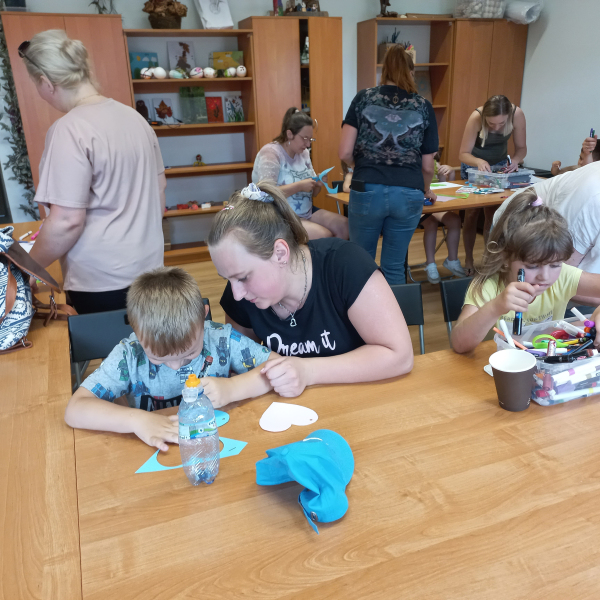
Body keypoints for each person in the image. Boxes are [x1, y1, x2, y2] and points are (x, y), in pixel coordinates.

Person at [208, 181, 414, 397]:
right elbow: (241, 365)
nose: (236, 294)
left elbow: (399, 356)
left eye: (243, 277)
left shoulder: (346, 264)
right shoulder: (241, 295)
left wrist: (308, 371)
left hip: (361, 400)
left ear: (280, 253)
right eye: (228, 279)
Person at [19, 30, 166, 315]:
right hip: (151, 273)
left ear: (46, 82)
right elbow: (159, 195)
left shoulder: (69, 129)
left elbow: (66, 222)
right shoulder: (136, 119)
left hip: (101, 284)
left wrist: (27, 268)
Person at [64, 267, 276, 451]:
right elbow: (75, 409)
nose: (175, 366)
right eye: (158, 357)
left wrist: (233, 388)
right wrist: (136, 420)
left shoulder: (221, 339)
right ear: (136, 331)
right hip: (156, 448)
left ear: (203, 316)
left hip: (217, 440)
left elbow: (279, 367)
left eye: (190, 353)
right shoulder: (129, 355)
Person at [451, 188, 600, 354]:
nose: (545, 276)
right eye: (533, 266)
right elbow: (459, 344)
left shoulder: (564, 276)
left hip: (549, 363)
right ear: (505, 257)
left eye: (555, 265)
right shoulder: (489, 286)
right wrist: (495, 307)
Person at [338, 44, 439, 285]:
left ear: (384, 71)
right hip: (409, 191)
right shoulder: (423, 106)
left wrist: (360, 165)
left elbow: (344, 152)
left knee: (361, 263)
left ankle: (359, 310)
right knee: (394, 266)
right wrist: (426, 189)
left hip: (365, 186)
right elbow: (428, 166)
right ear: (410, 72)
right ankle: (391, 311)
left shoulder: (363, 98)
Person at [252, 107, 348, 240]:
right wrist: (299, 186)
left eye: (310, 139)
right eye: (304, 138)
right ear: (289, 134)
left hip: (305, 211)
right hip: (279, 215)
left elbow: (313, 194)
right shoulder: (271, 153)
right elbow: (266, 193)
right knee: (324, 235)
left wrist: (318, 184)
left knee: (344, 226)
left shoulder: (304, 154)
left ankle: (328, 254)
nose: (308, 144)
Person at [458, 95, 527, 276]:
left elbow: (521, 148)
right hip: (475, 167)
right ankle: (469, 259)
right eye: (491, 124)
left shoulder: (517, 114)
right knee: (471, 213)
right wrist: (479, 161)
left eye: (501, 124)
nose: (496, 128)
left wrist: (516, 160)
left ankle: (489, 261)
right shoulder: (476, 117)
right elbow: (463, 153)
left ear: (508, 116)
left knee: (493, 215)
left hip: (499, 167)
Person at [421, 155, 465, 284]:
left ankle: (452, 260)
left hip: (434, 204)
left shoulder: (435, 164)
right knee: (431, 222)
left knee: (455, 220)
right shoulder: (414, 162)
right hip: (417, 207)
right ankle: (430, 264)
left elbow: (446, 187)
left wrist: (450, 173)